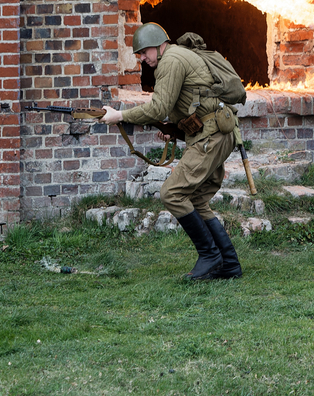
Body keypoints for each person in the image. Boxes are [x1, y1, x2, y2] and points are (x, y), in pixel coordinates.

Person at [101, 22, 243, 280]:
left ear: (158, 45)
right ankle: (229, 264)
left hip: (211, 137)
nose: (142, 59)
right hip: (216, 134)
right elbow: (193, 105)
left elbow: (158, 108)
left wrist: (119, 115)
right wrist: (175, 130)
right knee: (196, 199)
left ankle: (210, 256)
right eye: (139, 54)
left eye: (144, 52)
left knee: (172, 193)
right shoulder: (177, 56)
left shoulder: (170, 61)